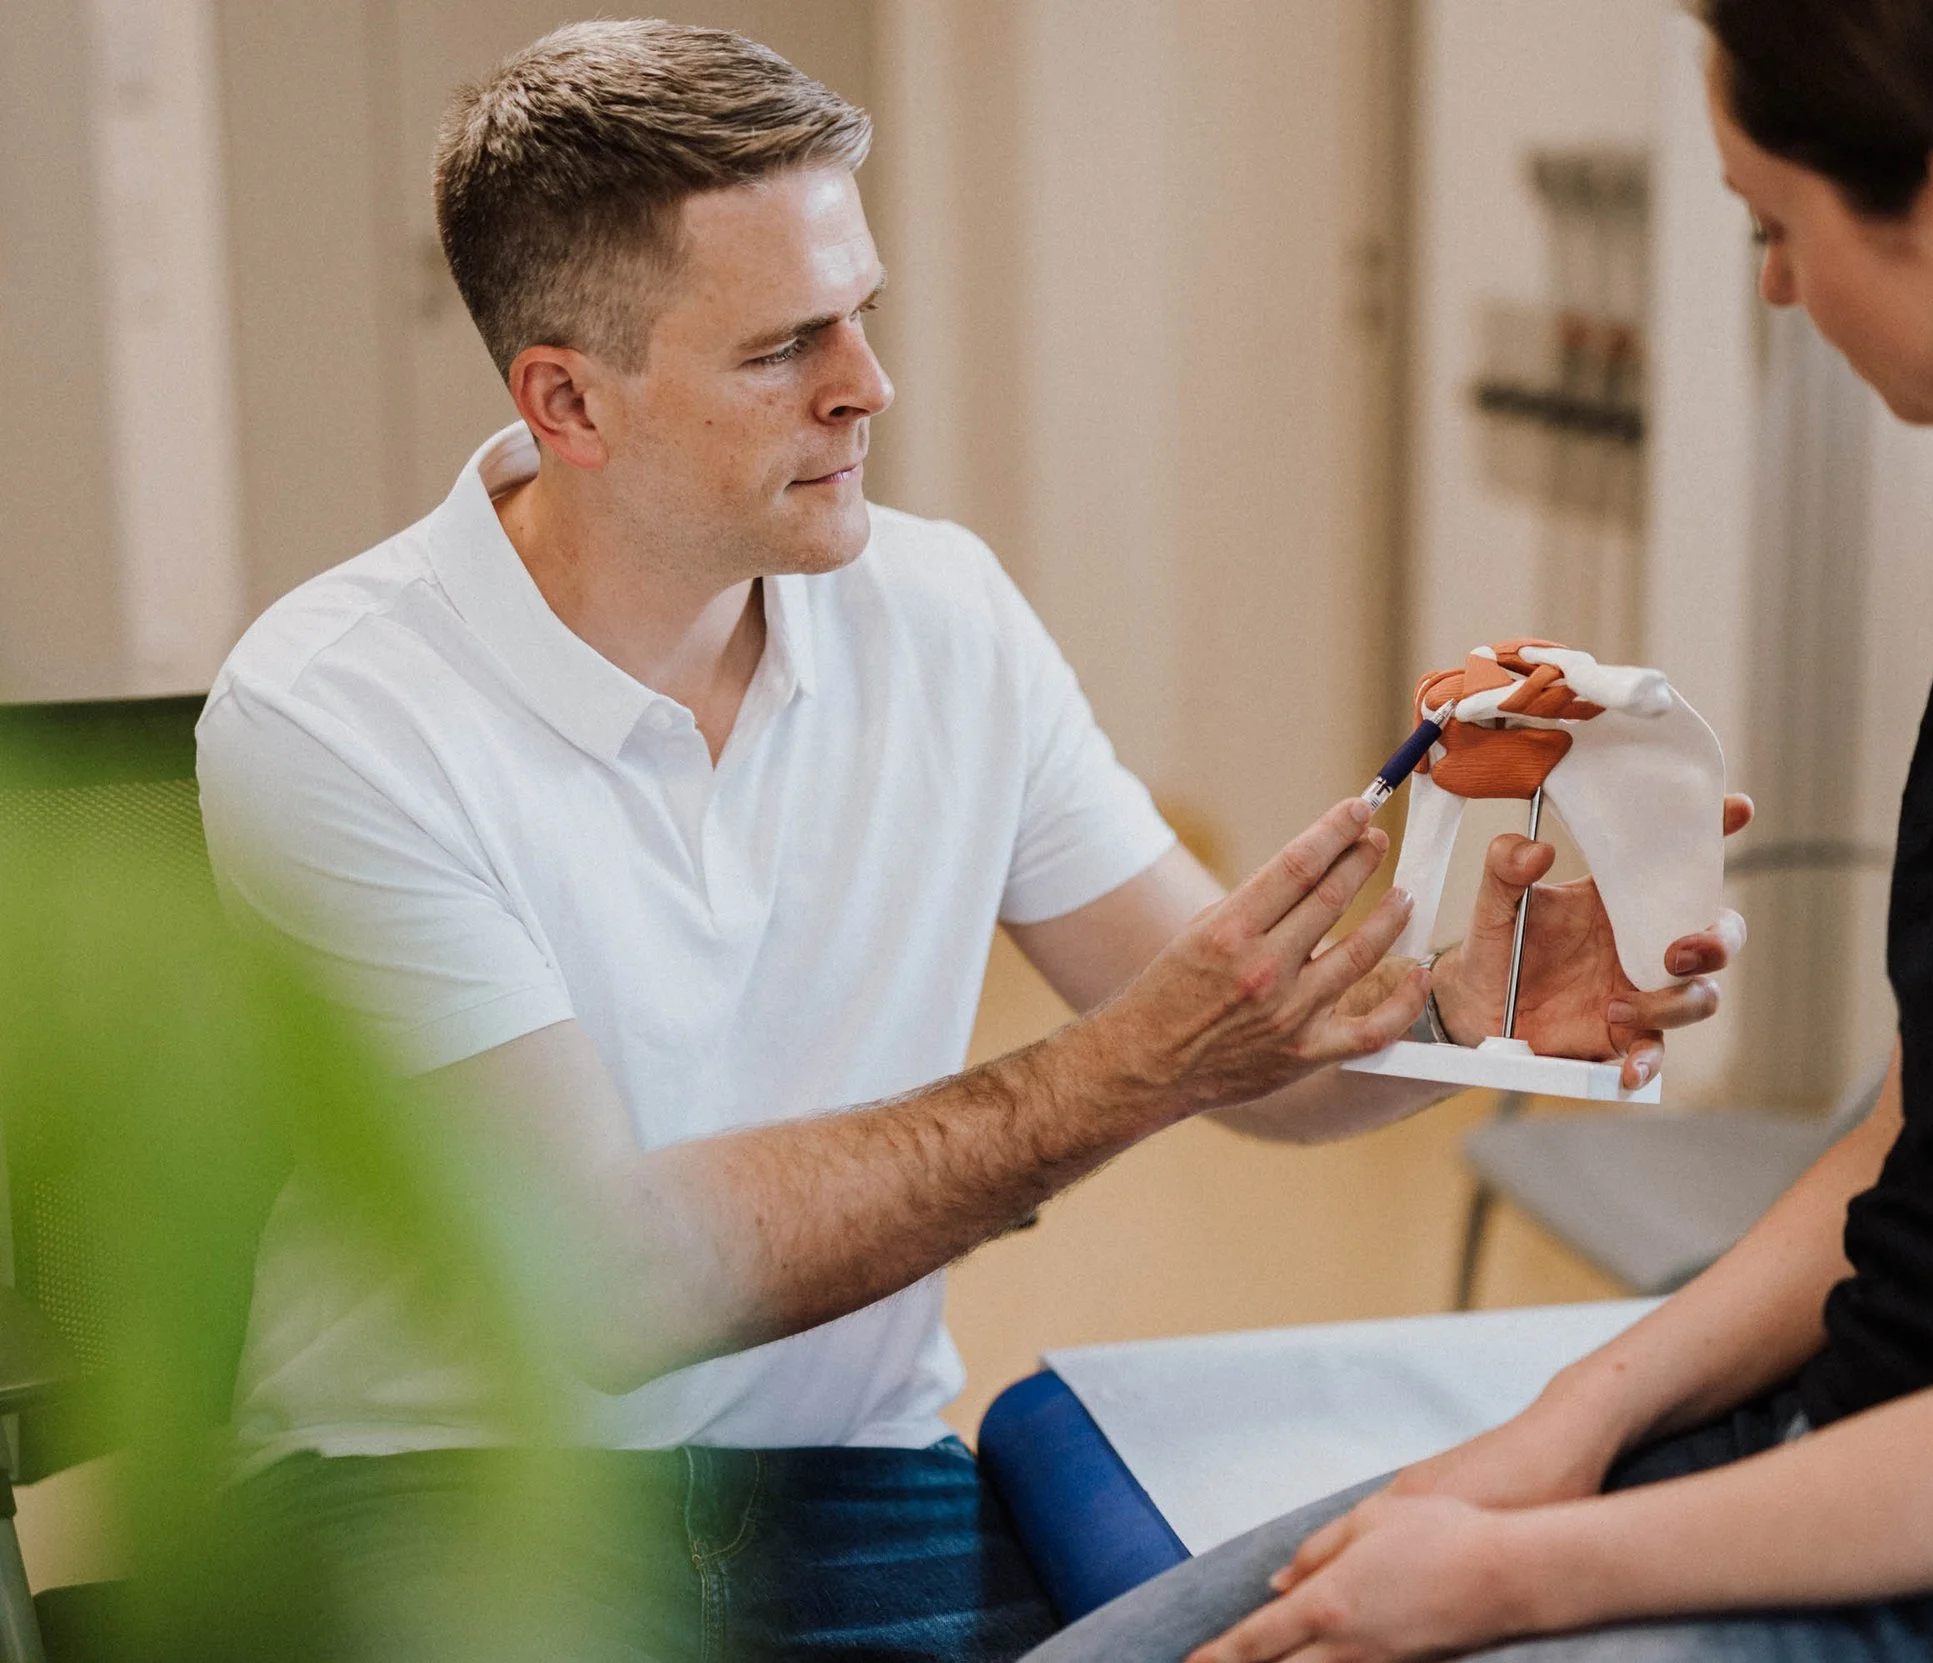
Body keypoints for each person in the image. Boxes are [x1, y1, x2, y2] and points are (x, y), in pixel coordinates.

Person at [191, 20, 1749, 1663]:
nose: (870, 384)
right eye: (787, 343)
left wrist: (1470, 1011)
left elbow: (1262, 1062)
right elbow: (608, 1289)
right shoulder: (335, 710)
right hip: (440, 1486)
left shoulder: (939, 617)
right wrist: (1130, 1068)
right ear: (569, 401)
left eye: (862, 311)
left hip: (850, 1484)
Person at [1034, 1, 1933, 1660]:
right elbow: (1913, 1139)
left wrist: (1513, 1577)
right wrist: (1568, 1422)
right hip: (1873, 1444)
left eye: (1773, 226)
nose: (1777, 290)